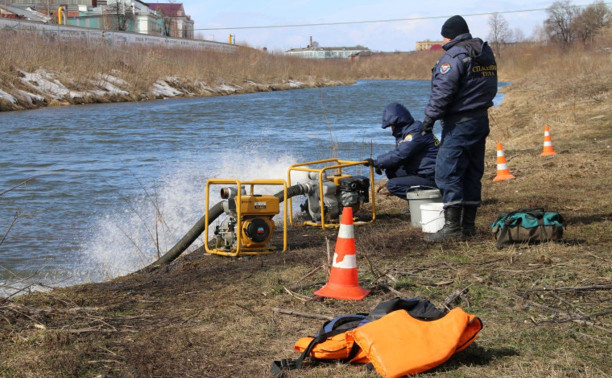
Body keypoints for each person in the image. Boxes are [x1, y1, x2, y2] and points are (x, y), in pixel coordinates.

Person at [421, 15, 498, 242]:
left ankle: (453, 228)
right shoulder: (483, 53)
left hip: (459, 123)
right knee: (472, 173)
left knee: (447, 172)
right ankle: (468, 226)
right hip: (480, 118)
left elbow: (443, 92)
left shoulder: (453, 57)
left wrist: (429, 119)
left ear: (449, 35)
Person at [372, 102, 439, 200]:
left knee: (392, 185)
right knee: (392, 170)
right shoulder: (408, 131)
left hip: (431, 176)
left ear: (398, 122)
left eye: (392, 125)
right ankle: (414, 203)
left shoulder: (415, 132)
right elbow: (400, 156)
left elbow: (401, 154)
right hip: (423, 172)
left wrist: (378, 162)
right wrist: (383, 164)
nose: (392, 128)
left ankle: (420, 202)